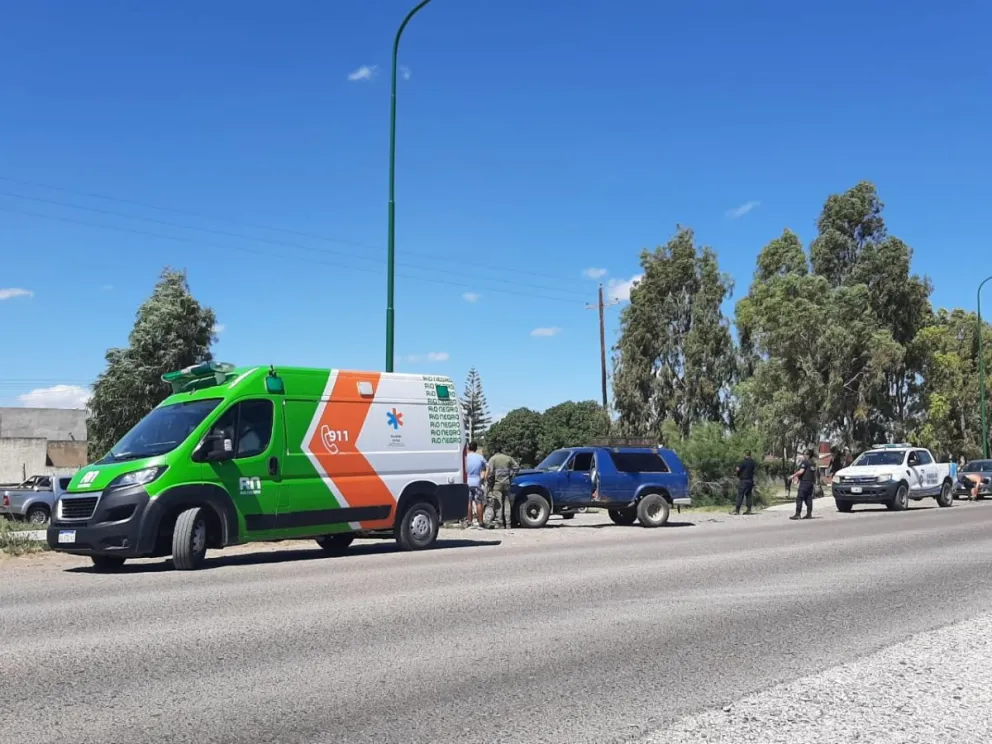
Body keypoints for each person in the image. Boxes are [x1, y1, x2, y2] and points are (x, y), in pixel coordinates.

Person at [486, 449, 520, 529]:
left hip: (497, 484)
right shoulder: (508, 458)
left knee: (498, 504)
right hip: (507, 483)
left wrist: (490, 484)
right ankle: (508, 523)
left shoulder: (493, 459)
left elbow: (490, 473)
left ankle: (500, 523)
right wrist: (511, 477)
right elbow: (517, 467)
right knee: (507, 503)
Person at [464, 441, 487, 528]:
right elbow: (486, 467)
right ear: (476, 448)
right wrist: (483, 476)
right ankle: (481, 522)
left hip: (467, 482)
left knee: (468, 502)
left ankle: (469, 522)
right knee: (478, 502)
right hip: (477, 482)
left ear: (469, 448)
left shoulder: (466, 457)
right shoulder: (480, 457)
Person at [790, 448, 817, 520]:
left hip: (805, 482)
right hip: (810, 483)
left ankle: (797, 514)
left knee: (800, 498)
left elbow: (801, 471)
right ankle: (809, 514)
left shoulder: (805, 462)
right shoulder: (813, 463)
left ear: (807, 455)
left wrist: (793, 475)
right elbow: (813, 474)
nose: (803, 456)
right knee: (808, 498)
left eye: (804, 454)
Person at [731, 450, 756, 515]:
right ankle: (749, 510)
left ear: (745, 454)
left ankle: (737, 510)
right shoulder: (753, 462)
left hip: (744, 480)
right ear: (750, 455)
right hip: (750, 480)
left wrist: (737, 472)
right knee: (748, 495)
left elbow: (737, 469)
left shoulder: (743, 462)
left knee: (740, 495)